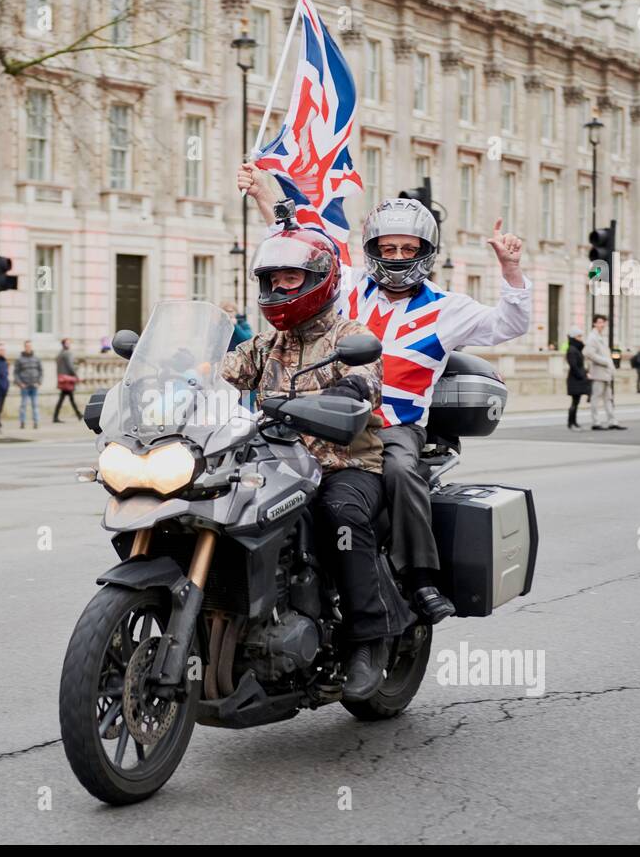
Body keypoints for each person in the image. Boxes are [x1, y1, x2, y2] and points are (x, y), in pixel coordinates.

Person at [239, 164, 533, 625]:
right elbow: (302, 247)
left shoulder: (448, 308)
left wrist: (510, 270)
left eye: (407, 248)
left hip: (395, 426)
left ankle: (420, 578)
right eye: (387, 247)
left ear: (425, 252)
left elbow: (510, 324)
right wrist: (263, 192)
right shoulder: (347, 287)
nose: (396, 256)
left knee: (399, 469)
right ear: (372, 250)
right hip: (321, 415)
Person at [221, 221, 409, 700]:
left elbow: (364, 381)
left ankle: (370, 638)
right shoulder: (265, 347)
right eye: (272, 279)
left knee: (339, 514)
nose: (279, 287)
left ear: (319, 278)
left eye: (290, 278)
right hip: (273, 464)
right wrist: (169, 379)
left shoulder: (352, 336)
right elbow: (216, 374)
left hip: (344, 466)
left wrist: (346, 394)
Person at [584, 314, 625, 430]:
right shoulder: (592, 337)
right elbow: (589, 353)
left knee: (608, 398)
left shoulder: (600, 337)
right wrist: (605, 361)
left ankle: (612, 420)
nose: (602, 325)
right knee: (596, 398)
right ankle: (595, 422)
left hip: (606, 373)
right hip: (598, 373)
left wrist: (609, 364)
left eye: (603, 322)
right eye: (600, 322)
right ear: (594, 323)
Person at [566, 327, 591, 431]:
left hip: (577, 378)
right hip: (574, 379)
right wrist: (582, 375)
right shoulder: (572, 350)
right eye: (579, 336)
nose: (581, 338)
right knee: (574, 402)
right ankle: (571, 423)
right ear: (573, 337)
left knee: (576, 402)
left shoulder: (577, 349)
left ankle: (574, 422)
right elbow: (574, 366)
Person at [14, 340, 43, 429]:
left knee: (35, 405)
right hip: (24, 386)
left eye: (29, 346)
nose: (28, 348)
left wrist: (39, 382)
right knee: (23, 405)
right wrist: (20, 383)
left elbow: (41, 371)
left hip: (34, 385)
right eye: (27, 346)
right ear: (24, 347)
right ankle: (22, 422)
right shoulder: (19, 359)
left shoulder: (36, 358)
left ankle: (36, 422)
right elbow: (16, 373)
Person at [53, 337, 82, 423]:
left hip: (63, 379)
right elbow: (70, 366)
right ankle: (78, 414)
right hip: (67, 380)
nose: (69, 344)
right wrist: (76, 375)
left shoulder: (59, 354)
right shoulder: (68, 354)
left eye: (69, 343)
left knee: (65, 398)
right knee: (67, 398)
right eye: (67, 343)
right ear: (64, 344)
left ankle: (78, 414)